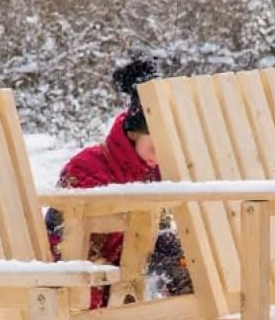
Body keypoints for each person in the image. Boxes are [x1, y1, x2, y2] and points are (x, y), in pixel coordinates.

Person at [45, 53, 192, 306]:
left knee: (175, 251)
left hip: (129, 285)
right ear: (135, 134)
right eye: (154, 148)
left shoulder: (155, 173)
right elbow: (56, 238)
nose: (159, 159)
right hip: (84, 287)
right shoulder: (86, 167)